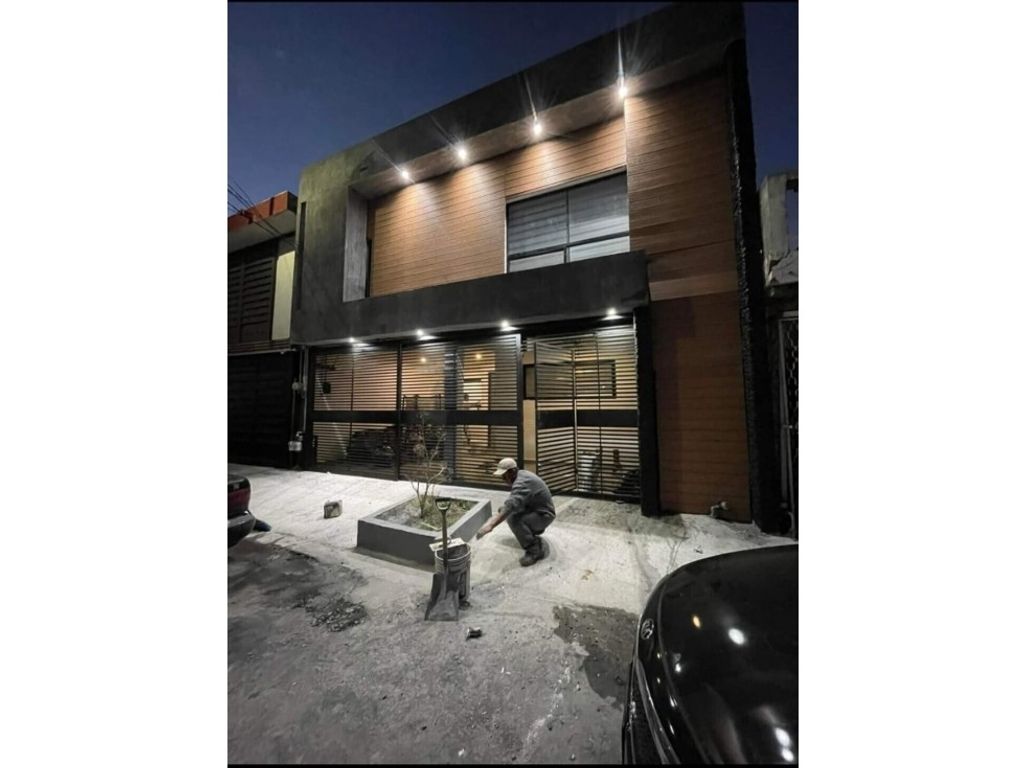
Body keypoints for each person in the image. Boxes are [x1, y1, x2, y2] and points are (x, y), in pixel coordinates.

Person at [476, 458, 556, 566]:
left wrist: (491, 525)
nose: (503, 479)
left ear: (512, 471)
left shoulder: (522, 483)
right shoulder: (522, 474)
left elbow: (511, 506)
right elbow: (514, 502)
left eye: (504, 475)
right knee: (503, 510)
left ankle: (534, 550)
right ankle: (531, 532)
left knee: (512, 518)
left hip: (544, 515)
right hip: (535, 509)